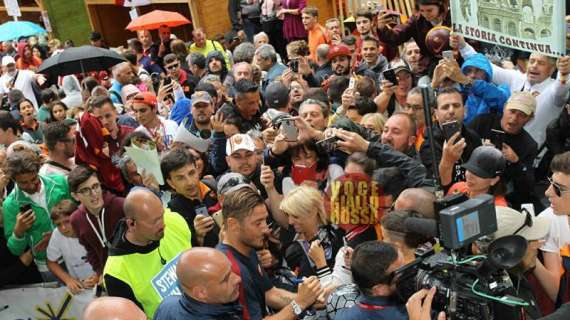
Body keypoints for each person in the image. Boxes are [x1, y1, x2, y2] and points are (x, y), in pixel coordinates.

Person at [217, 187, 323, 319]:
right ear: (233, 224)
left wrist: (310, 299)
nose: (265, 229)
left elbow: (270, 294)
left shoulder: (248, 250)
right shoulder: (231, 270)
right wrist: (300, 303)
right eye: (258, 223)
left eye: (265, 220)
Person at [452, 34, 570, 147]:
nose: (534, 66)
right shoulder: (517, 77)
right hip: (503, 147)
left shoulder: (554, 91)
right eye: (532, 61)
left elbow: (561, 89)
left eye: (541, 63)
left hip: (532, 156)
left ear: (551, 69)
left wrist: (564, 73)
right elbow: (486, 66)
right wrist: (462, 45)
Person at [103, 188, 192, 318]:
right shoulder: (116, 273)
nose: (163, 224)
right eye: (155, 221)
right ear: (132, 224)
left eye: (161, 215)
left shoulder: (173, 220)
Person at [2, 149, 72, 281]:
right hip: (47, 265)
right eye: (23, 182)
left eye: (34, 178)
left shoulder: (60, 182)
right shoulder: (10, 205)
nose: (31, 185)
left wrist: (55, 234)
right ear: (14, 180)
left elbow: (77, 216)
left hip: (76, 251)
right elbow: (15, 250)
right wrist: (18, 232)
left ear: (38, 171)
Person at [469, 92, 538, 210]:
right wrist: (479, 149)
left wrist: (515, 162)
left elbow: (527, 186)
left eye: (522, 115)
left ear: (530, 118)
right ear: (504, 107)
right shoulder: (482, 122)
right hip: (469, 180)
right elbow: (460, 149)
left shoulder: (528, 145)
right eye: (512, 111)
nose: (514, 119)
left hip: (501, 192)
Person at [153, 247, 243, 319]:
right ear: (201, 293)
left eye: (231, 270)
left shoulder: (167, 306)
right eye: (225, 279)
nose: (237, 278)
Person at [419, 86, 482, 188]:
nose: (451, 111)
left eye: (456, 106)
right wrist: (448, 160)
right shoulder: (428, 145)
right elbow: (441, 185)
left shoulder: (473, 137)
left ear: (465, 110)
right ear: (436, 114)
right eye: (445, 107)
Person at [69, 165, 125, 276]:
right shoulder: (76, 219)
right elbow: (90, 251)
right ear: (75, 196)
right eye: (85, 190)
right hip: (110, 274)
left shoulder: (121, 205)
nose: (94, 194)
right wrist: (100, 272)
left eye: (95, 186)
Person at [281, 185, 344, 282]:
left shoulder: (336, 238)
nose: (290, 221)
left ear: (313, 212)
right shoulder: (291, 242)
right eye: (287, 215)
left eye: (295, 216)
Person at [161, 148, 220, 247]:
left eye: (191, 173)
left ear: (197, 169)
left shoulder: (214, 188)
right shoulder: (173, 214)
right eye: (180, 178)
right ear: (170, 182)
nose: (190, 182)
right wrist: (198, 236)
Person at [335, 241, 407, 319]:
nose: (408, 274)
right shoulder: (407, 314)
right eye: (400, 274)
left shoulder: (342, 315)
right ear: (378, 289)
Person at [46, 199, 97, 294]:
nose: (63, 228)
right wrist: (68, 280)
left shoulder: (91, 227)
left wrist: (99, 275)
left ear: (77, 217)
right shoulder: (57, 235)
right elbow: (51, 262)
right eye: (58, 224)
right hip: (80, 286)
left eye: (67, 221)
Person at [376, 0, 451, 61]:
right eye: (422, 10)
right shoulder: (416, 20)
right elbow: (396, 37)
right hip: (431, 64)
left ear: (440, 5)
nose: (425, 14)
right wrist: (382, 28)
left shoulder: (454, 17)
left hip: (457, 61)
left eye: (429, 10)